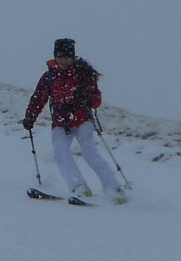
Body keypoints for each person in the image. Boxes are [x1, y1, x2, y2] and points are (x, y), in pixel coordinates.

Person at [21, 38, 128, 203]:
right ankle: (79, 188)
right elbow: (39, 97)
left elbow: (96, 100)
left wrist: (86, 99)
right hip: (60, 122)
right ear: (55, 57)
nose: (64, 61)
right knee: (61, 154)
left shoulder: (82, 73)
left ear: (73, 57)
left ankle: (114, 189)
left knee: (90, 154)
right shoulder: (49, 76)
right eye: (60, 57)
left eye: (67, 58)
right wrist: (30, 116)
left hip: (82, 120)